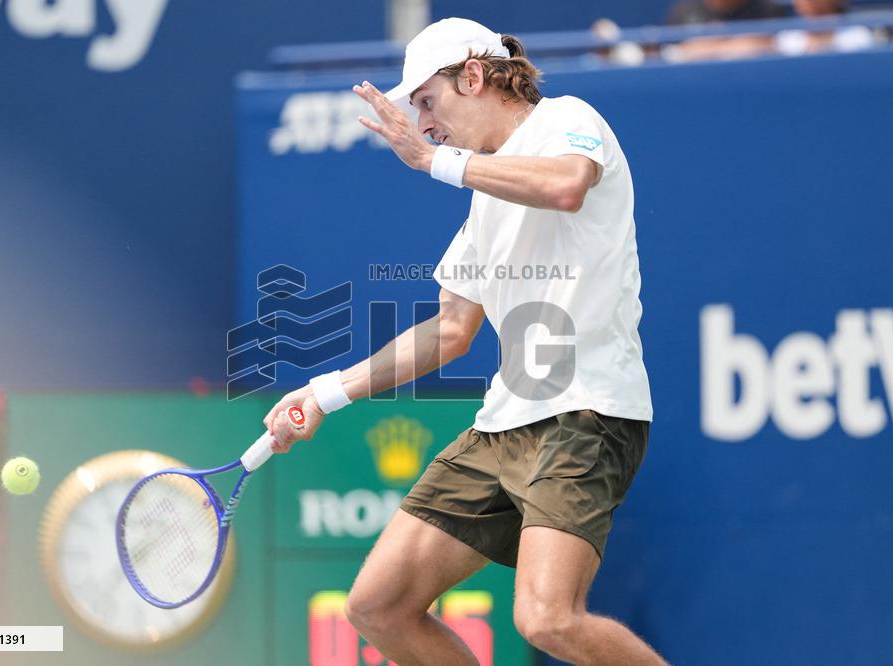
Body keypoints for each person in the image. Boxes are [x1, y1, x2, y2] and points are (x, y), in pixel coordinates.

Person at [263, 17, 663, 666]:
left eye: (427, 101)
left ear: (473, 76)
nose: (423, 124)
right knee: (376, 606)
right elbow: (451, 331)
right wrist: (324, 393)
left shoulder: (565, 118)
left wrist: (435, 162)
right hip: (505, 423)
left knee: (547, 619)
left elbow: (565, 185)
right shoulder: (485, 198)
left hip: (587, 415)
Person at [664, 0, 789, 62]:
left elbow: (774, 47)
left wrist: (705, 46)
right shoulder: (683, 11)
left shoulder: (768, 9)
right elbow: (674, 53)